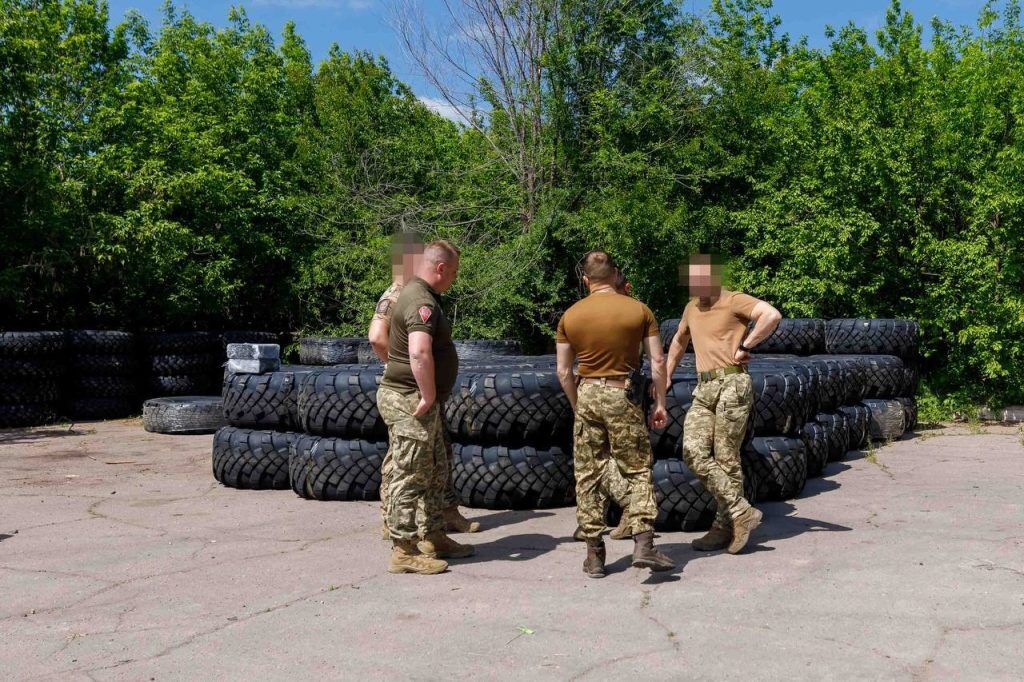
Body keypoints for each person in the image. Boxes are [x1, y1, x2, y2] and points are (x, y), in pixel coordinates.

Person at [556, 251, 675, 578]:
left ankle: (595, 555)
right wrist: (661, 402)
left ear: (586, 280)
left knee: (588, 472)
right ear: (615, 275)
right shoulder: (639, 310)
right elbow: (659, 362)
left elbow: (564, 371)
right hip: (623, 392)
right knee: (637, 468)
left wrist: (577, 404)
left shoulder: (570, 316)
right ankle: (644, 544)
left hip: (588, 392)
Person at [665, 253, 782, 554]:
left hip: (733, 383)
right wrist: (665, 376)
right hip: (704, 387)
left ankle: (723, 526)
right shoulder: (691, 307)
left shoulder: (734, 300)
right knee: (693, 451)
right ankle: (741, 510)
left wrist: (746, 345)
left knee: (726, 456)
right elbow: (679, 340)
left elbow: (771, 315)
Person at [368, 234, 479, 541]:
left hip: (419, 393)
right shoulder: (411, 296)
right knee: (409, 469)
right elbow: (394, 343)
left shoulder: (420, 292)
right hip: (410, 395)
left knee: (432, 466)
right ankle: (402, 541)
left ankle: (435, 532)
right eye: (454, 272)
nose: (455, 279)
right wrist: (421, 385)